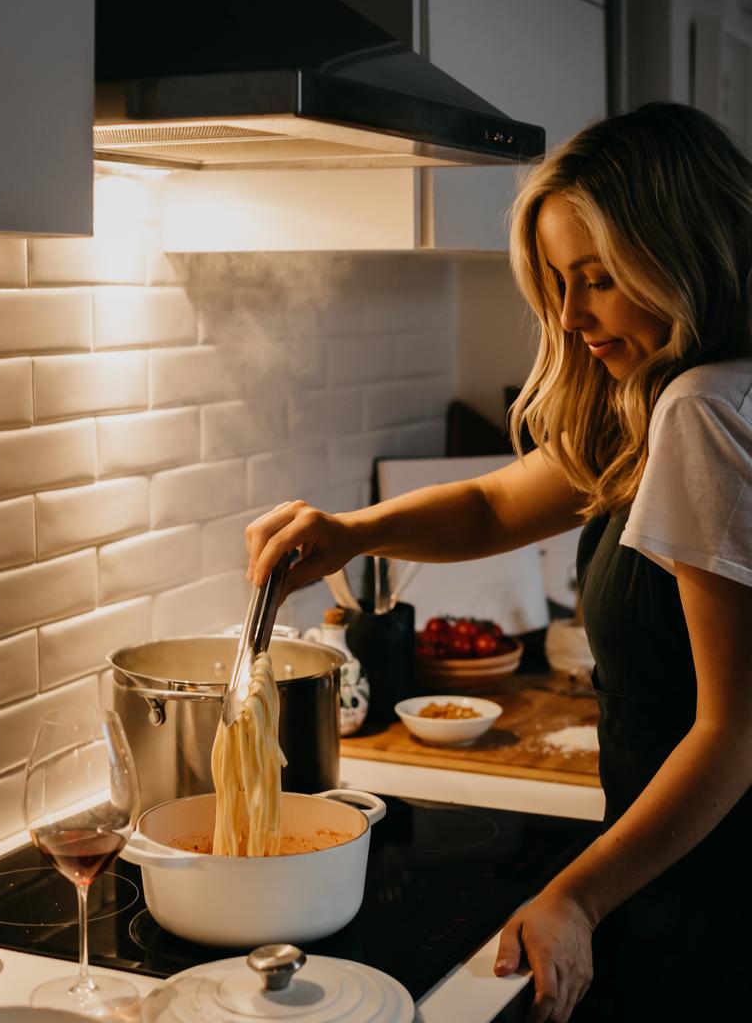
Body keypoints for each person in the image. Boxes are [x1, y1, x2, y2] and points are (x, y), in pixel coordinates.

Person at [245, 103, 752, 1022]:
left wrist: (578, 896)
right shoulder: (683, 393)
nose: (570, 313)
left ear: (683, 254)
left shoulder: (702, 415)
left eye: (598, 277)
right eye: (560, 280)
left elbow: (735, 732)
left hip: (715, 892)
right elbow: (494, 504)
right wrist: (352, 531)